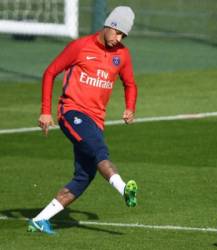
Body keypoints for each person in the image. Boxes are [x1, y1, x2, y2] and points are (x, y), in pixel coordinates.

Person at [27, 6, 138, 235]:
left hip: (96, 120)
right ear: (109, 26)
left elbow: (130, 84)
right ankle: (123, 188)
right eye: (118, 33)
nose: (119, 39)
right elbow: (50, 72)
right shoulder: (80, 46)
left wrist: (130, 108)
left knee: (84, 175)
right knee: (100, 151)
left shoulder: (122, 55)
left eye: (123, 37)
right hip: (72, 113)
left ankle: (40, 219)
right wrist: (45, 111)